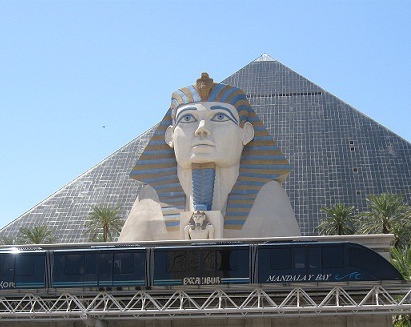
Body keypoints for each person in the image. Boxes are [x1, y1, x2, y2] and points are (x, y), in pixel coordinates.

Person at [119, 73, 300, 242]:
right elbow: (125, 260)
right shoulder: (151, 199)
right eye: (188, 118)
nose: (202, 129)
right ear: (170, 136)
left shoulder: (268, 196)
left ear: (246, 133)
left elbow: (288, 260)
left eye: (219, 117)